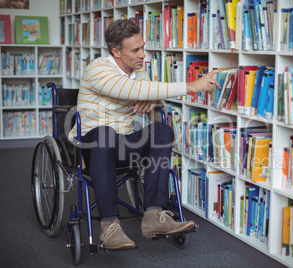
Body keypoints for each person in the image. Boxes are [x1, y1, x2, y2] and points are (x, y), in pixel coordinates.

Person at [68, 19, 221, 250]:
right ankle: (109, 226)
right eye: (136, 50)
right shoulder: (97, 69)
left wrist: (152, 98)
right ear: (116, 52)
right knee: (105, 132)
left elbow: (146, 89)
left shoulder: (139, 73)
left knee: (162, 130)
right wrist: (191, 86)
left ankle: (153, 216)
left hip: (123, 145)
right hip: (92, 147)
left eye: (143, 47)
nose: (143, 55)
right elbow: (132, 91)